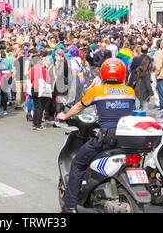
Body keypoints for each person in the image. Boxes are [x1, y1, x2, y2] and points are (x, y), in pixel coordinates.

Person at [56, 58, 136, 213]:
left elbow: (79, 106)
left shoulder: (97, 91)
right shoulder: (130, 91)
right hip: (125, 140)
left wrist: (64, 116)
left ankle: (70, 206)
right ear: (122, 73)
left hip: (106, 139)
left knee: (78, 165)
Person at [29, 55, 51, 130]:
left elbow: (31, 78)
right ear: (38, 60)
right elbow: (47, 79)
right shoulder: (42, 68)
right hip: (40, 88)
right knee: (40, 107)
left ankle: (35, 123)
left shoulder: (32, 68)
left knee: (36, 106)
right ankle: (38, 124)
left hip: (33, 88)